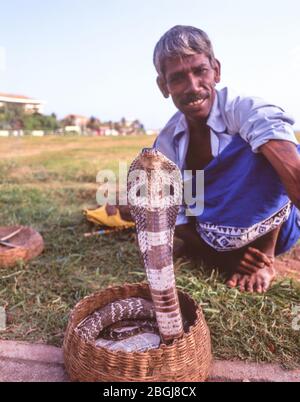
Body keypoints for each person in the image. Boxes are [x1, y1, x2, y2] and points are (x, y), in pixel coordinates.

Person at [152, 25, 300, 293]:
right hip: (217, 234)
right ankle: (221, 252)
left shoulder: (245, 110)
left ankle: (264, 258)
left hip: (277, 231)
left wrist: (262, 258)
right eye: (177, 79)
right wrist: (226, 258)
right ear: (164, 86)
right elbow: (178, 219)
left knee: (269, 147)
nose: (193, 87)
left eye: (200, 71)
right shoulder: (166, 145)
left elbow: (292, 172)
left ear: (216, 71)